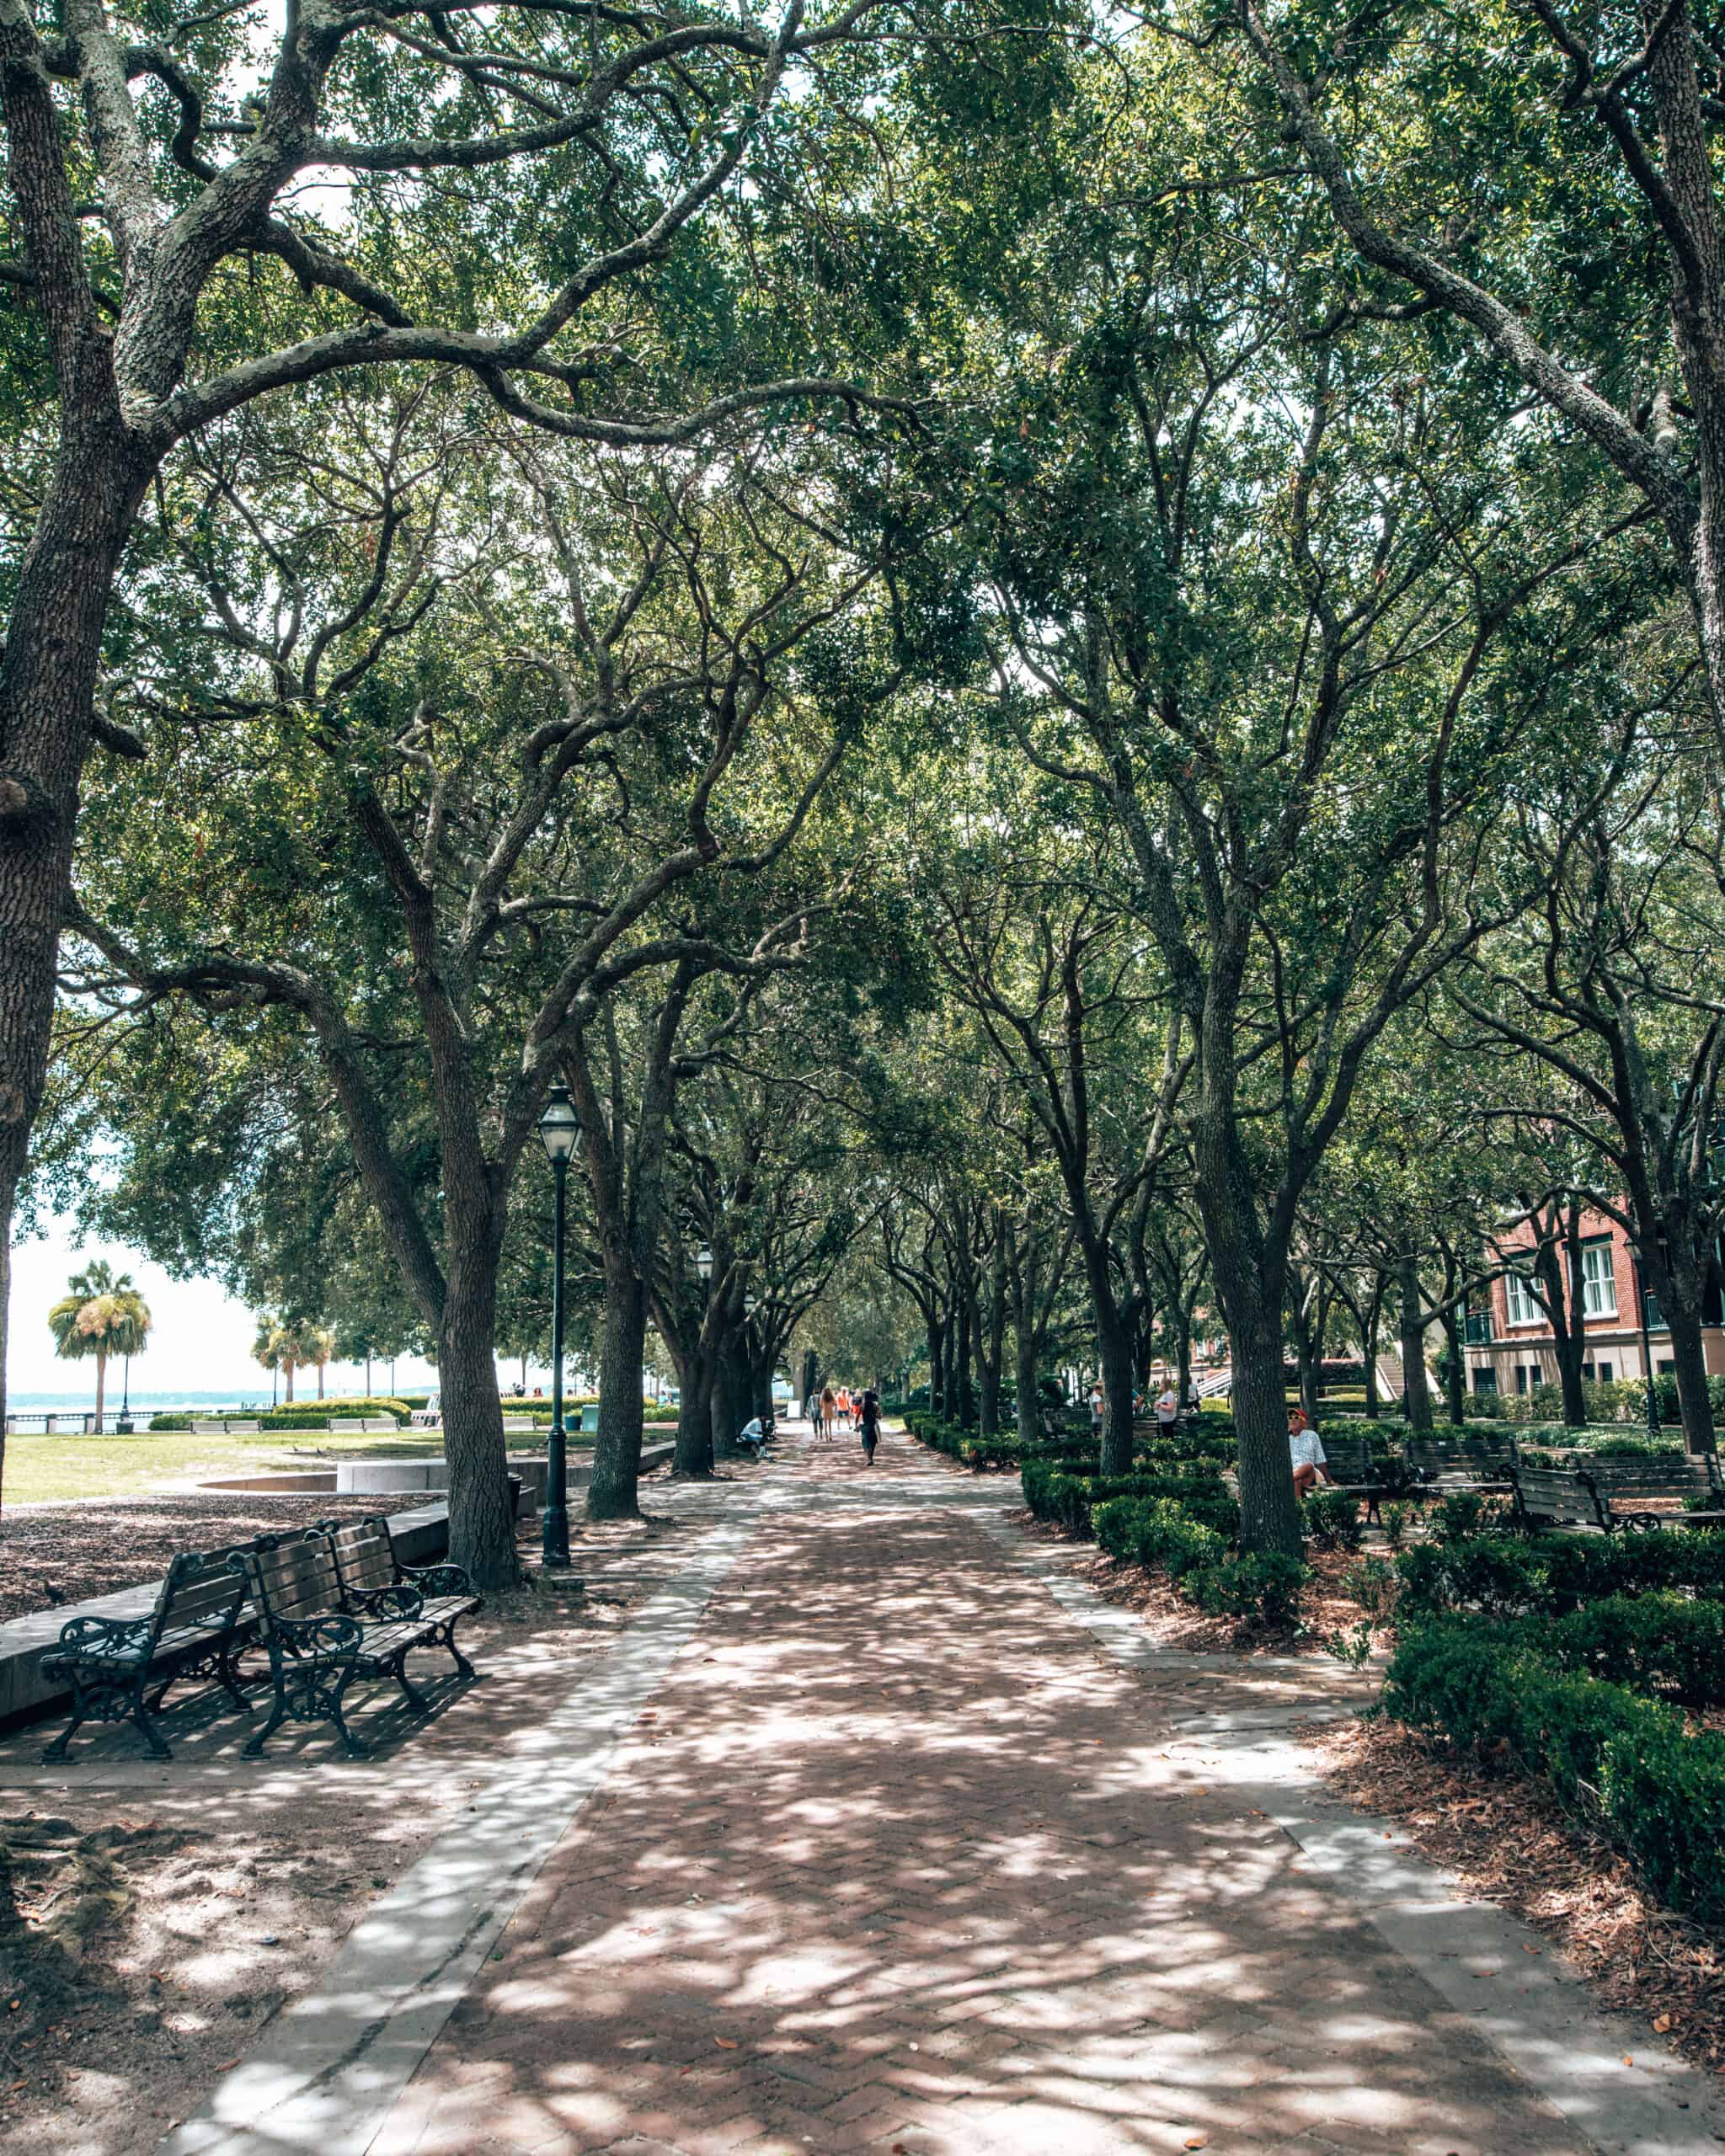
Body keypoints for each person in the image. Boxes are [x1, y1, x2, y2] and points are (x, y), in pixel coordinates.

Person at [1288, 1407, 1332, 1497]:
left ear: (1303, 1422)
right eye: (1290, 1418)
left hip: (1310, 1475)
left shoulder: (1312, 1435)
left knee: (1308, 1465)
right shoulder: (1286, 1438)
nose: (1293, 1420)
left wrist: (1329, 1481)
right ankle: (1299, 1507)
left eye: (1296, 1417)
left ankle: (1285, 1480)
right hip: (1295, 1475)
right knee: (1295, 1480)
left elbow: (1320, 1461)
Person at [858, 1384, 881, 1466]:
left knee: (866, 1443)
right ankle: (871, 1458)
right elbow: (880, 1416)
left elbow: (858, 1416)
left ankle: (869, 1459)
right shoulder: (875, 1406)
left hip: (865, 1426)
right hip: (873, 1426)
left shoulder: (862, 1406)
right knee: (873, 1442)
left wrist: (856, 1425)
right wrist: (875, 1415)